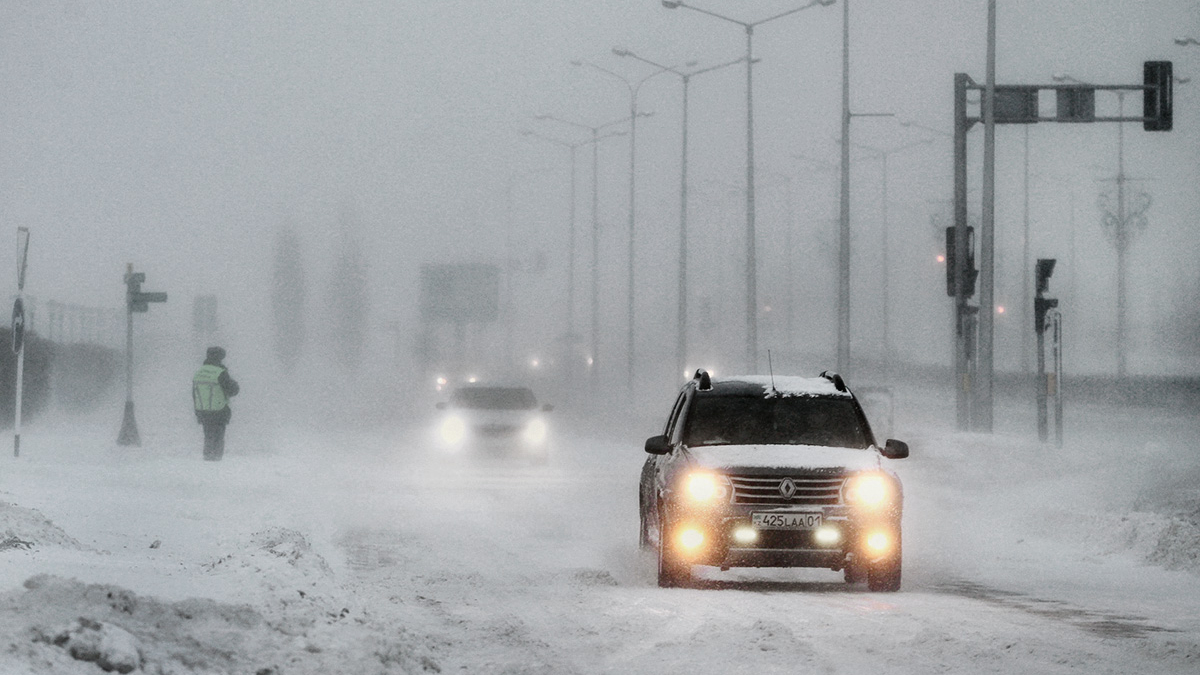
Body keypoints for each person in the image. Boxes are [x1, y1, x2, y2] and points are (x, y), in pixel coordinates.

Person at [192, 346, 240, 461]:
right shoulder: (220, 372)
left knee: (208, 435)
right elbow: (233, 390)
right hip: (219, 410)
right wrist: (235, 384)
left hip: (203, 410)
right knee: (218, 437)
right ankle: (216, 462)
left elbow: (194, 393)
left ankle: (207, 458)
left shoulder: (199, 372)